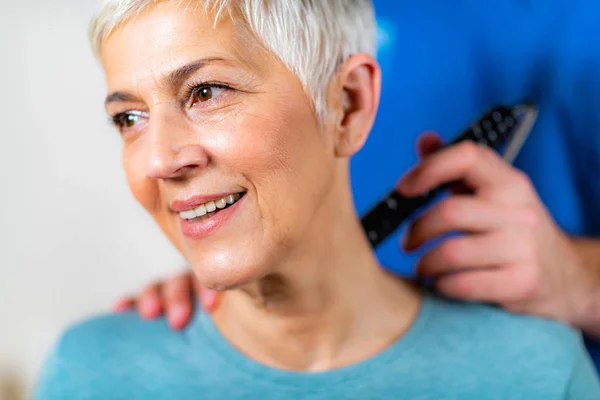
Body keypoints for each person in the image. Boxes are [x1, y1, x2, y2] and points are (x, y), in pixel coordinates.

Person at [35, 0, 600, 398]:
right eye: (128, 118)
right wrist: (230, 242)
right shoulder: (91, 373)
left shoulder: (538, 373)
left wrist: (585, 276)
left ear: (351, 105)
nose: (158, 160)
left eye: (206, 92)